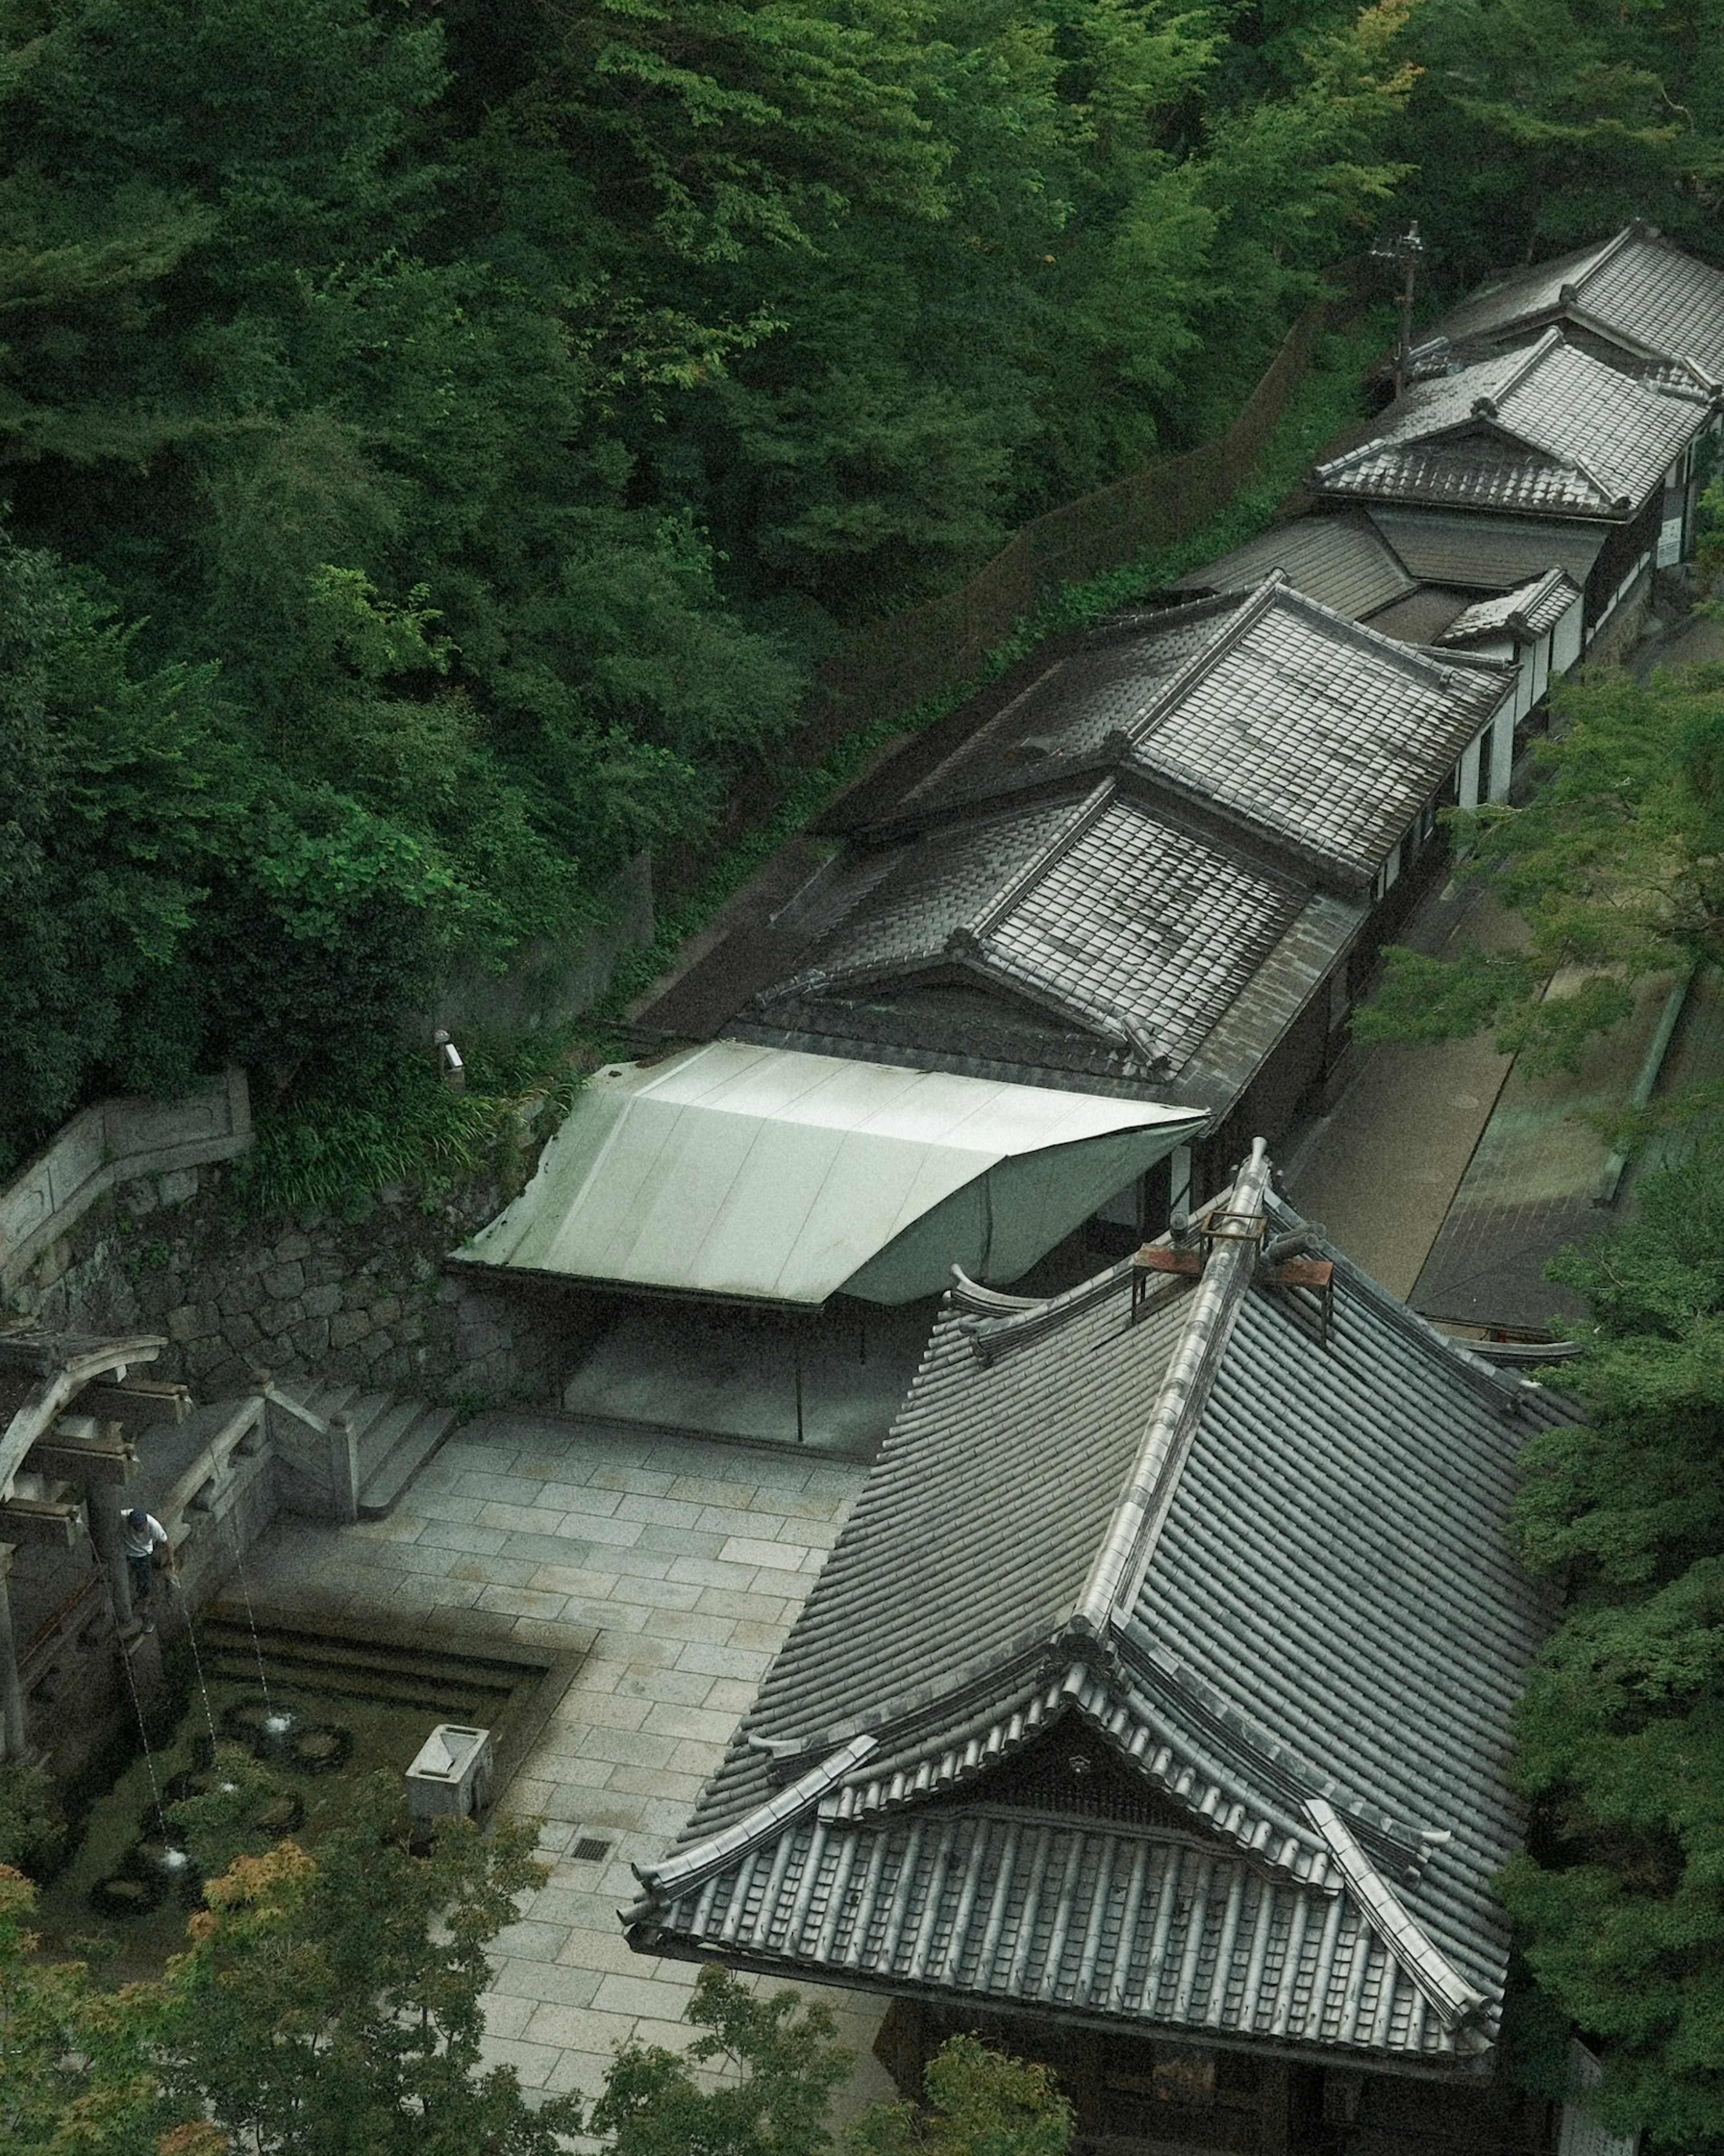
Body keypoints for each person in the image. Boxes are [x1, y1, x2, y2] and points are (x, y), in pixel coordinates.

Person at [121, 1506, 176, 1630]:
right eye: (136, 1527)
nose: (139, 1530)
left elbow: (168, 1544)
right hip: (125, 1552)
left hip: (143, 1555)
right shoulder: (123, 1517)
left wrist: (170, 1563)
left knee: (145, 1585)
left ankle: (144, 1613)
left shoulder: (153, 1526)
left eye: (141, 1527)